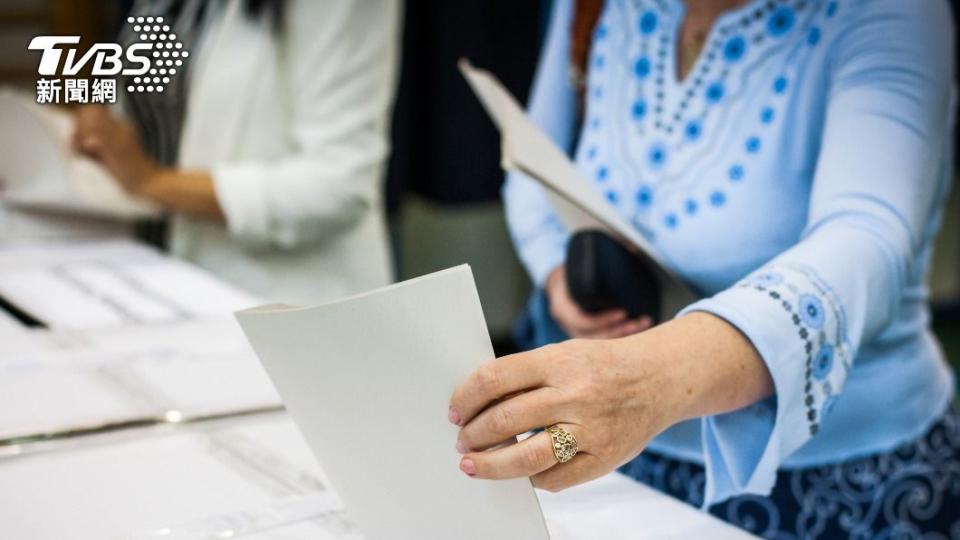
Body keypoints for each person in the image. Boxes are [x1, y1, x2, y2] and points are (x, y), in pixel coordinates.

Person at [449, 0, 960, 536]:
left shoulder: (891, 14)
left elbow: (867, 238)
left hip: (837, 482)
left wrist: (645, 380)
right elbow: (532, 156)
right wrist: (560, 276)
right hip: (624, 463)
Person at [72, 0, 399, 303]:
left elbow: (338, 186)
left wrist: (151, 182)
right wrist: (107, 132)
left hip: (281, 299)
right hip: (150, 276)